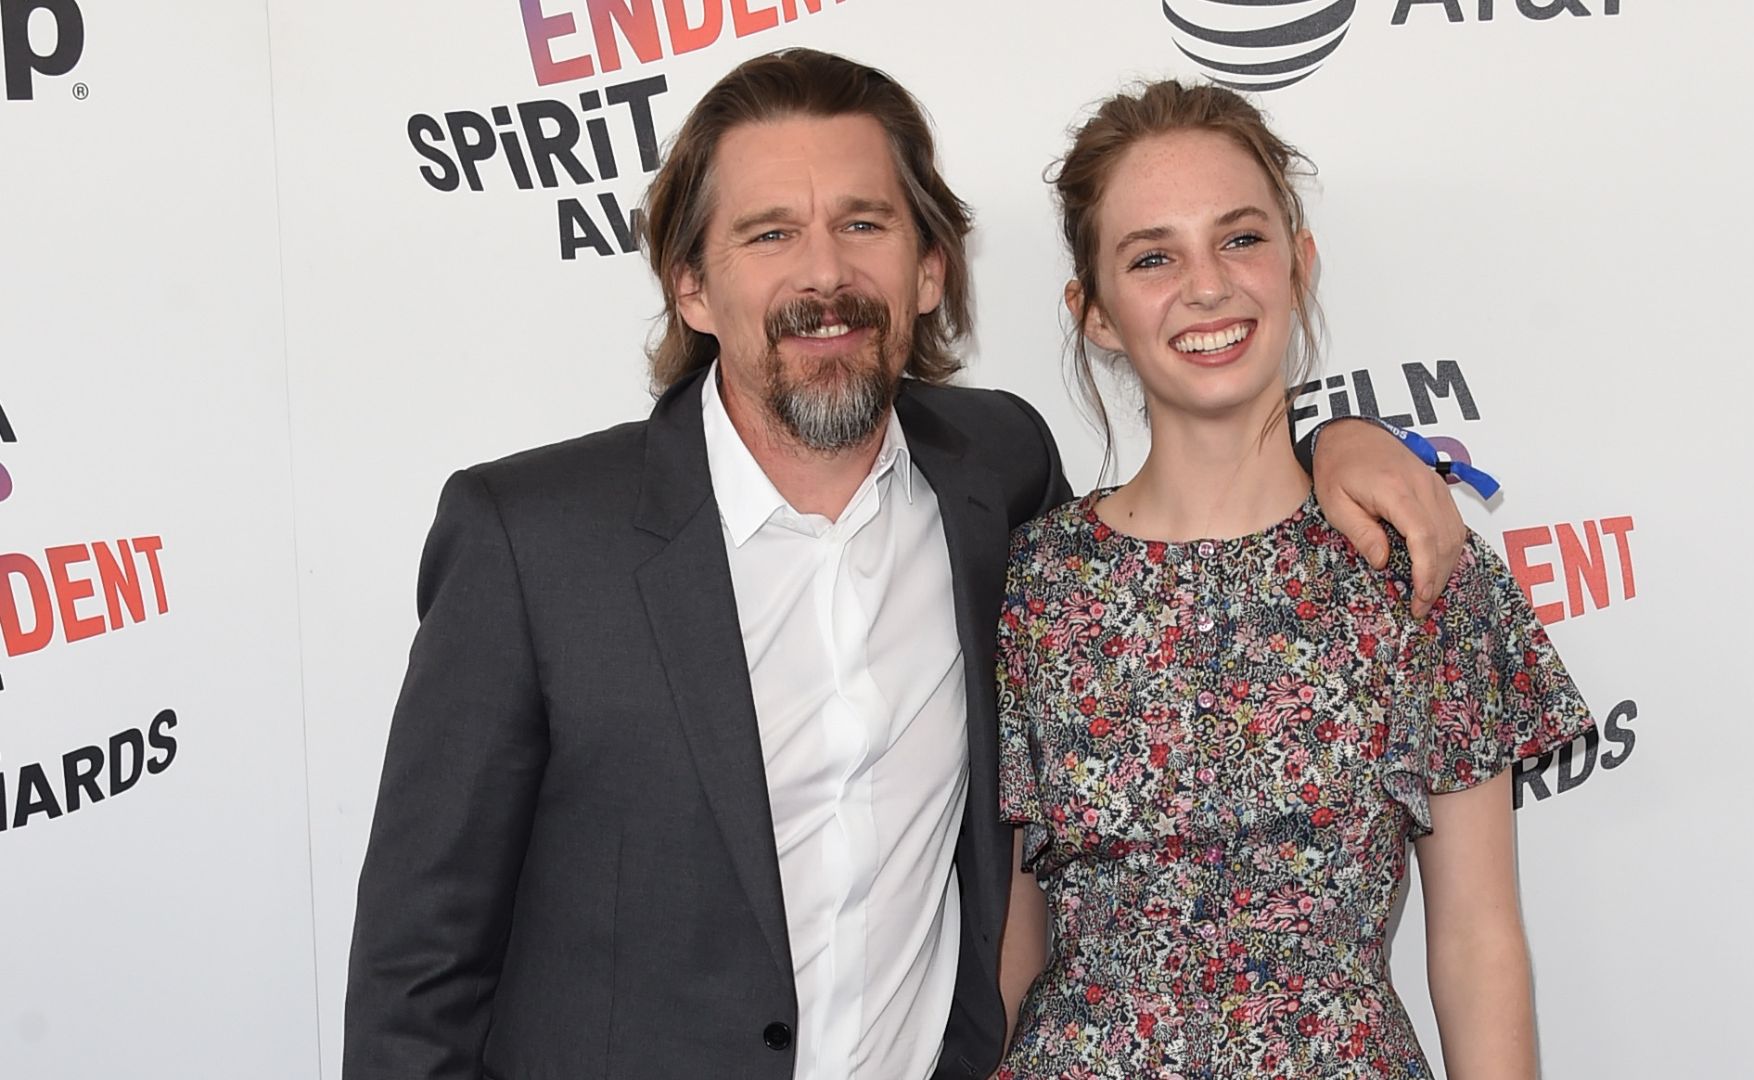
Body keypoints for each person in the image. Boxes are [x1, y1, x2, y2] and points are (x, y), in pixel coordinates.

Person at [342, 51, 1469, 1080]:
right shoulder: (529, 540)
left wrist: (1336, 446)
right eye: (770, 233)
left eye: (866, 225)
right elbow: (416, 973)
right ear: (692, 286)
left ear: (931, 270)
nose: (824, 276)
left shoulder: (1001, 479)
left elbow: (1195, 531)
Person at [994, 81, 1595, 1080]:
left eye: (1240, 239)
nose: (1207, 287)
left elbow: (1479, 942)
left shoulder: (1419, 566)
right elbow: (1010, 951)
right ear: (1094, 313)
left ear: (1300, 264)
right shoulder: (1034, 589)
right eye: (1153, 257)